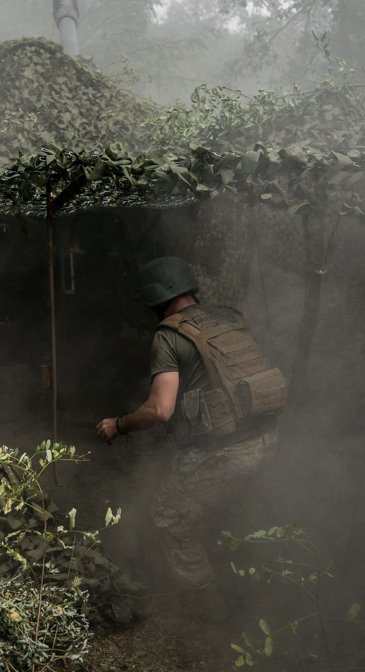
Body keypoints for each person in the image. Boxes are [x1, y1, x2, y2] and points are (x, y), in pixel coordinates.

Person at [95, 256, 287, 620]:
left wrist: (117, 425)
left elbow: (159, 410)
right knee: (227, 507)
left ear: (156, 302)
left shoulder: (169, 334)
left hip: (226, 453)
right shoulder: (231, 317)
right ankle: (254, 582)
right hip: (266, 438)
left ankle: (209, 608)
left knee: (170, 517)